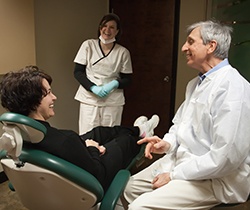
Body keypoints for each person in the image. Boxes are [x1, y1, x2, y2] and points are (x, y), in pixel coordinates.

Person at [122, 20, 250, 210]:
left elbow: (225, 158)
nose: (184, 47)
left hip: (215, 178)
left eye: (190, 42)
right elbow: (180, 124)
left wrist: (173, 175)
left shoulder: (233, 88)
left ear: (211, 46)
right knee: (128, 189)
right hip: (183, 162)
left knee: (140, 207)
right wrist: (167, 144)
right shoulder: (195, 84)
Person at [0, 65, 159, 192]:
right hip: (96, 174)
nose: (54, 97)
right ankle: (142, 136)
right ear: (33, 102)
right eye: (48, 93)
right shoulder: (65, 141)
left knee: (99, 132)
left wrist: (89, 145)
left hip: (69, 155)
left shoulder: (20, 138)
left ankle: (139, 129)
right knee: (123, 141)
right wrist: (93, 149)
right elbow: (96, 172)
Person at [73, 13, 133, 135]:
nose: (107, 30)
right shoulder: (88, 45)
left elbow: (128, 79)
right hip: (89, 99)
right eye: (104, 26)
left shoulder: (122, 52)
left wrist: (115, 84)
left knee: (109, 136)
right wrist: (92, 87)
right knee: (87, 135)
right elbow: (78, 72)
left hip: (112, 100)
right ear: (100, 28)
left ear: (117, 31)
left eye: (112, 27)